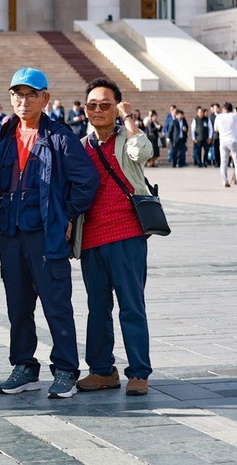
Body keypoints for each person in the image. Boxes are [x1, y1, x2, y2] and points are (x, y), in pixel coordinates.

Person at [0, 68, 99, 399]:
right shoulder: (4, 135)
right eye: (17, 94)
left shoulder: (60, 137)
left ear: (45, 99)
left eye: (31, 94)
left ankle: (65, 368)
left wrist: (66, 214)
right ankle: (24, 367)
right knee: (17, 305)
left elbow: (87, 182)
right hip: (11, 233)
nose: (23, 101)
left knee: (56, 303)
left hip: (46, 234)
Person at [72, 78, 153, 397]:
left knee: (131, 305)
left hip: (127, 234)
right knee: (97, 306)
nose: (98, 110)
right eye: (92, 105)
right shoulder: (81, 146)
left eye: (105, 104)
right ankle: (102, 370)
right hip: (91, 238)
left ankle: (139, 372)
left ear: (116, 107)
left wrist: (129, 118)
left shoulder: (125, 138)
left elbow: (143, 150)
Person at [214, 102, 237, 187]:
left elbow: (215, 129)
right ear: (231, 109)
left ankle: (225, 182)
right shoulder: (234, 116)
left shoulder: (218, 117)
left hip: (223, 141)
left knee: (224, 162)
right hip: (234, 140)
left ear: (223, 109)